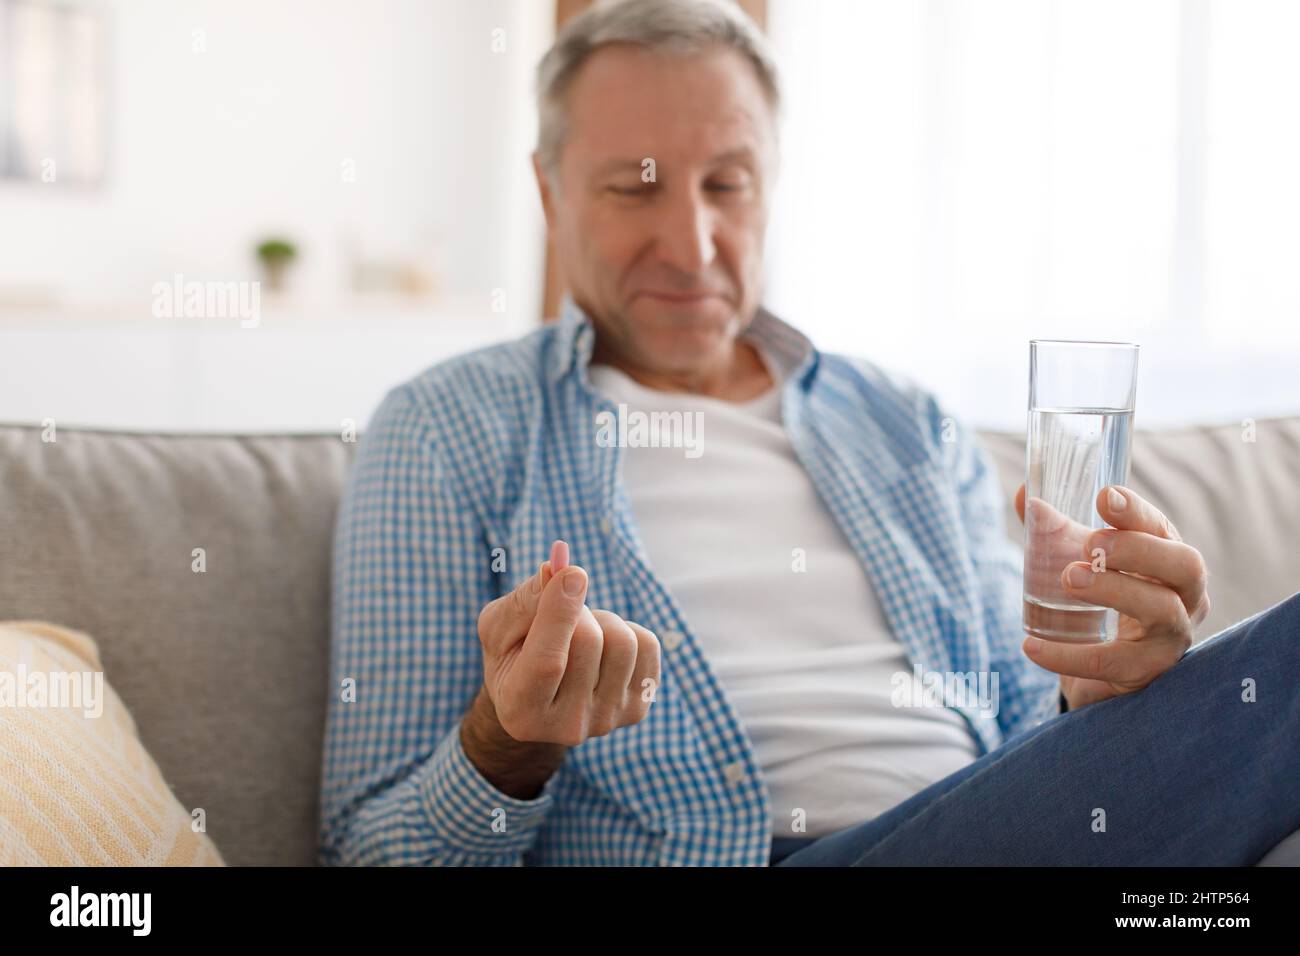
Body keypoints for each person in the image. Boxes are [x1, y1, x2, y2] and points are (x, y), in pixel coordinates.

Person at [318, 0, 1300, 866]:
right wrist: (510, 740)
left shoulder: (903, 419)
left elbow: (1023, 722)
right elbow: (372, 852)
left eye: (728, 184)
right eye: (635, 187)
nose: (693, 244)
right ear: (547, 193)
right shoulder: (445, 428)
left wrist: (1106, 694)